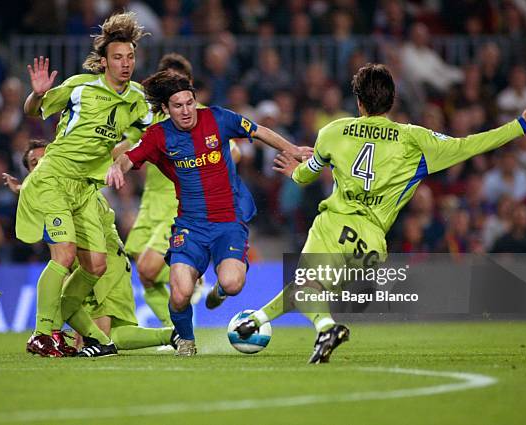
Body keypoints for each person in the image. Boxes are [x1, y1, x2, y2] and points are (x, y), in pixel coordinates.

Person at [234, 63, 526, 364]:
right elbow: (469, 145)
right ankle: (257, 320)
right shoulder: (413, 139)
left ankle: (323, 328)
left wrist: (294, 173)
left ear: (358, 101)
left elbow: (307, 174)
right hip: (372, 243)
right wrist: (519, 125)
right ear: (392, 101)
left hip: (335, 222)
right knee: (310, 287)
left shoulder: (333, 131)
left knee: (308, 288)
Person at [106, 71, 311, 356]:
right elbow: (130, 157)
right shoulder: (158, 135)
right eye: (178, 106)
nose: (187, 110)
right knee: (179, 293)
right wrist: (117, 167)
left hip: (228, 223)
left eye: (190, 103)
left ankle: (221, 292)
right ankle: (186, 341)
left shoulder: (218, 118)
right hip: (190, 226)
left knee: (232, 283)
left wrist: (293, 149)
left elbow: (259, 131)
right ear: (166, 109)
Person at [17, 12, 153, 357]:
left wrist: (119, 158)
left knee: (96, 265)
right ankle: (42, 333)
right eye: (118, 58)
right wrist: (36, 95)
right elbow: (33, 111)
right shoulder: (80, 87)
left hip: (85, 191)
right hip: (53, 178)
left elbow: (147, 135)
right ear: (104, 62)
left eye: (130, 57)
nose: (125, 64)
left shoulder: (138, 98)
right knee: (63, 255)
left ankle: (77, 330)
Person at [4, 140, 180, 356]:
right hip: (91, 264)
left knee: (97, 337)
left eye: (45, 157)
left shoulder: (76, 182)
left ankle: (47, 334)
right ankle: (173, 335)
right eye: (34, 162)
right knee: (110, 336)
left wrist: (135, 136)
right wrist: (23, 188)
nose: (41, 163)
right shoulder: (47, 195)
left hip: (105, 261)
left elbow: (112, 154)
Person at [122, 53, 241, 331]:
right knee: (146, 274)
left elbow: (233, 151)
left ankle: (193, 273)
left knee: (151, 267)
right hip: (149, 204)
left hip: (180, 205)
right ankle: (174, 329)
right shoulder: (151, 117)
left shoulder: (197, 115)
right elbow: (129, 148)